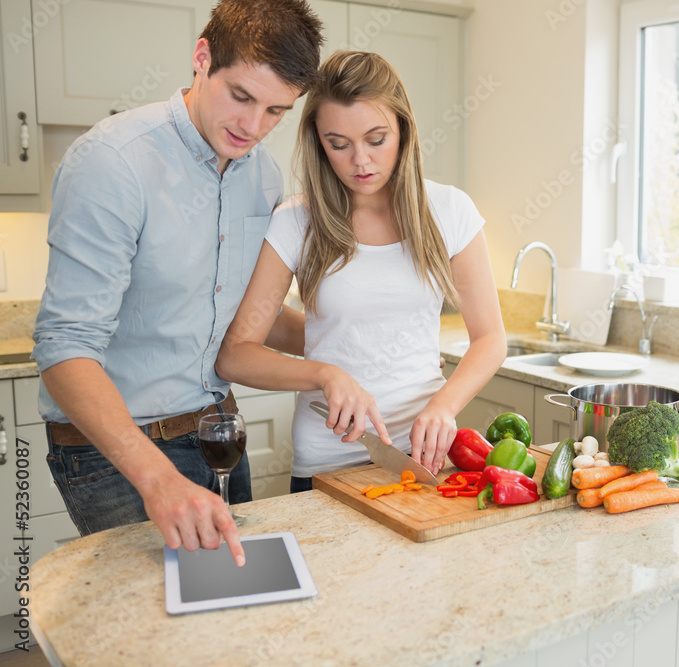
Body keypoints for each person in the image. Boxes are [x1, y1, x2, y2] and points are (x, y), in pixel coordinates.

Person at [32, 0, 325, 566]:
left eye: (276, 111)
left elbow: (250, 311)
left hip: (218, 433)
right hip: (116, 451)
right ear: (202, 57)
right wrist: (158, 478)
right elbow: (64, 348)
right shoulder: (112, 162)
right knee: (158, 629)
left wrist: (353, 351)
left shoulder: (259, 172)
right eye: (240, 96)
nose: (253, 126)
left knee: (225, 609)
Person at [216, 51, 507, 491]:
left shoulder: (450, 211)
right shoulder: (296, 221)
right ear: (318, 142)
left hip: (423, 454)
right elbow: (237, 352)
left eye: (376, 139)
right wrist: (325, 373)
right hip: (326, 461)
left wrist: (444, 407)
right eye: (338, 144)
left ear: (403, 131)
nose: (360, 161)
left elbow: (490, 338)